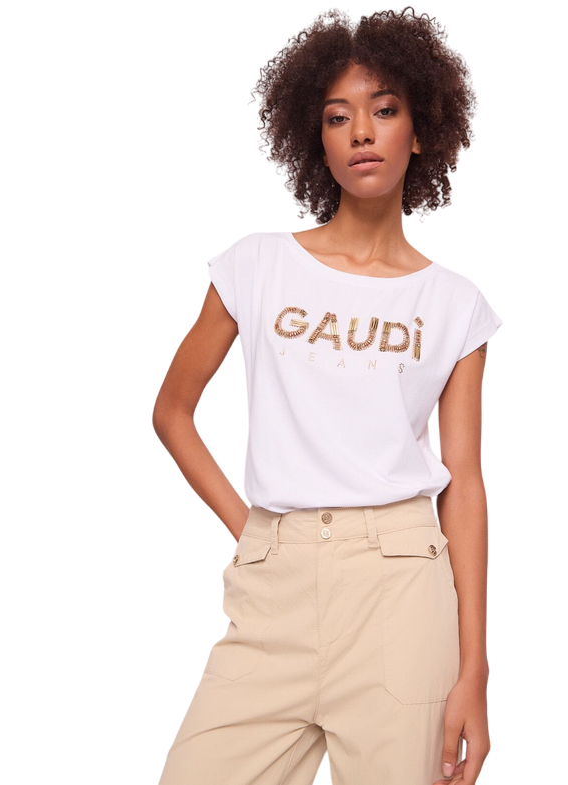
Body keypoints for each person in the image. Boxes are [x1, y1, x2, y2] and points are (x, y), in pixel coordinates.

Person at [152, 8, 503, 784]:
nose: (361, 132)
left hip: (401, 592)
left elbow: (465, 485)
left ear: (421, 129)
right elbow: (172, 411)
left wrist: (474, 668)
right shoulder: (256, 266)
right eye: (337, 117)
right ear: (315, 137)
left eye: (384, 109)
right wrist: (251, 528)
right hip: (272, 591)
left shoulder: (455, 305)